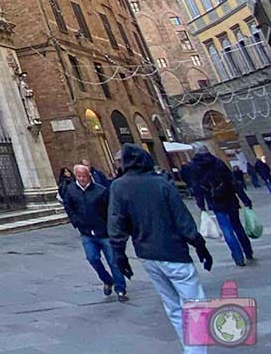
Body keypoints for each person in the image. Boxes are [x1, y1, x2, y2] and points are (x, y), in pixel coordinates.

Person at [109, 144, 213, 354]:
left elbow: (117, 222)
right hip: (174, 252)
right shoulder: (161, 183)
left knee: (173, 306)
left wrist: (119, 254)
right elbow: (182, 218)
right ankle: (195, 352)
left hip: (147, 255)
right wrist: (199, 244)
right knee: (194, 305)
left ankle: (190, 349)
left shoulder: (118, 187)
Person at [183, 145, 254, 267]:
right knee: (237, 226)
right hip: (230, 198)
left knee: (226, 229)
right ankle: (248, 252)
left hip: (214, 201)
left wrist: (201, 204)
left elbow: (197, 187)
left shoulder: (194, 167)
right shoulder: (217, 162)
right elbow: (232, 181)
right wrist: (244, 199)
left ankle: (238, 257)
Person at [63, 164, 127, 301]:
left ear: (89, 176)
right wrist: (76, 222)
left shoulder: (101, 191)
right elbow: (68, 207)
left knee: (113, 261)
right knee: (92, 258)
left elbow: (110, 211)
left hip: (104, 232)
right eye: (79, 176)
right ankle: (107, 279)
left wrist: (111, 227)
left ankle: (120, 289)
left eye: (84, 176)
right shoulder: (71, 190)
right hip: (86, 232)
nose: (81, 179)